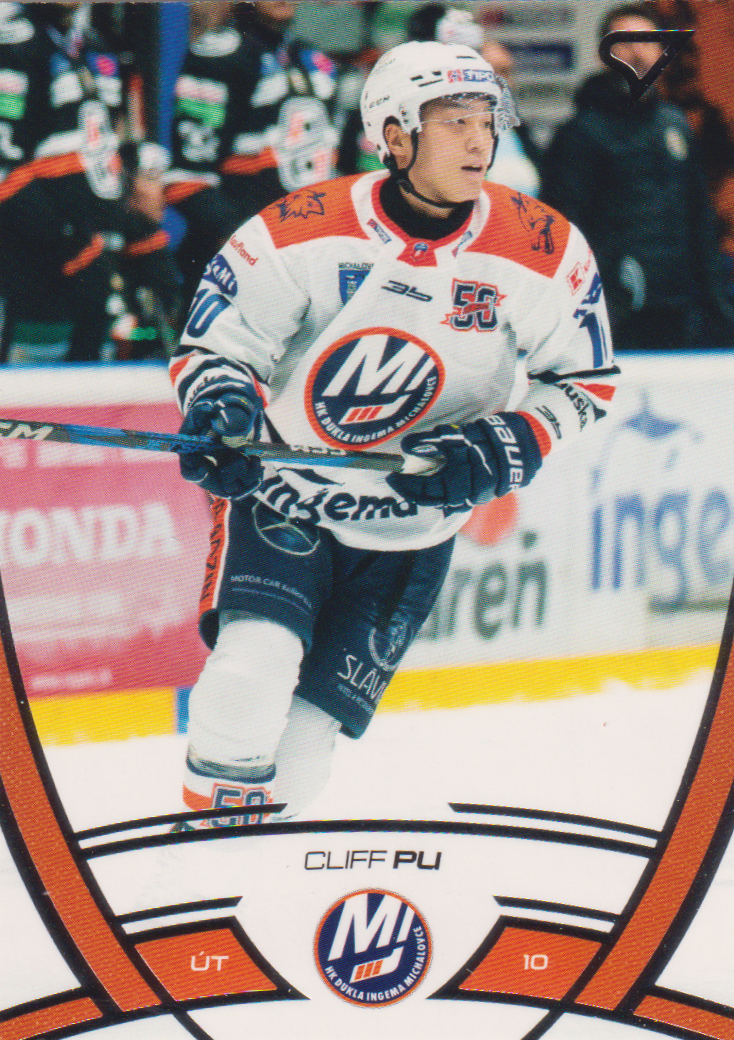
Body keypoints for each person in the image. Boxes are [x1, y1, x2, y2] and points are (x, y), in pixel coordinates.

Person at [169, 39, 619, 828]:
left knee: (303, 759)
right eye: (455, 122)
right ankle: (200, 851)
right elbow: (218, 346)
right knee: (248, 676)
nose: (481, 141)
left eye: (488, 120)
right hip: (286, 501)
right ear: (395, 134)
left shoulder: (543, 248)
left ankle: (243, 849)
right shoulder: (299, 229)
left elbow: (586, 380)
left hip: (413, 531)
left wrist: (510, 444)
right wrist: (222, 408)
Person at [541, 2, 734, 351]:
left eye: (648, 41)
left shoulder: (675, 124)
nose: (637, 51)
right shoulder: (580, 134)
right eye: (625, 41)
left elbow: (700, 219)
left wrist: (716, 301)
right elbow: (565, 230)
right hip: (615, 314)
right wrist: (608, 290)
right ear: (604, 55)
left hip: (684, 311)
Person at [0, 2, 180, 363]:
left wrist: (136, 225)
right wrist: (68, 240)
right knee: (37, 384)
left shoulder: (97, 46)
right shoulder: (13, 44)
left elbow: (106, 148)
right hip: (42, 256)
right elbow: (4, 166)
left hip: (99, 243)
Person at [164, 1, 339, 309]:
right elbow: (187, 180)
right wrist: (247, 243)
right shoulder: (220, 54)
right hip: (241, 258)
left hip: (311, 254)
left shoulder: (316, 60)